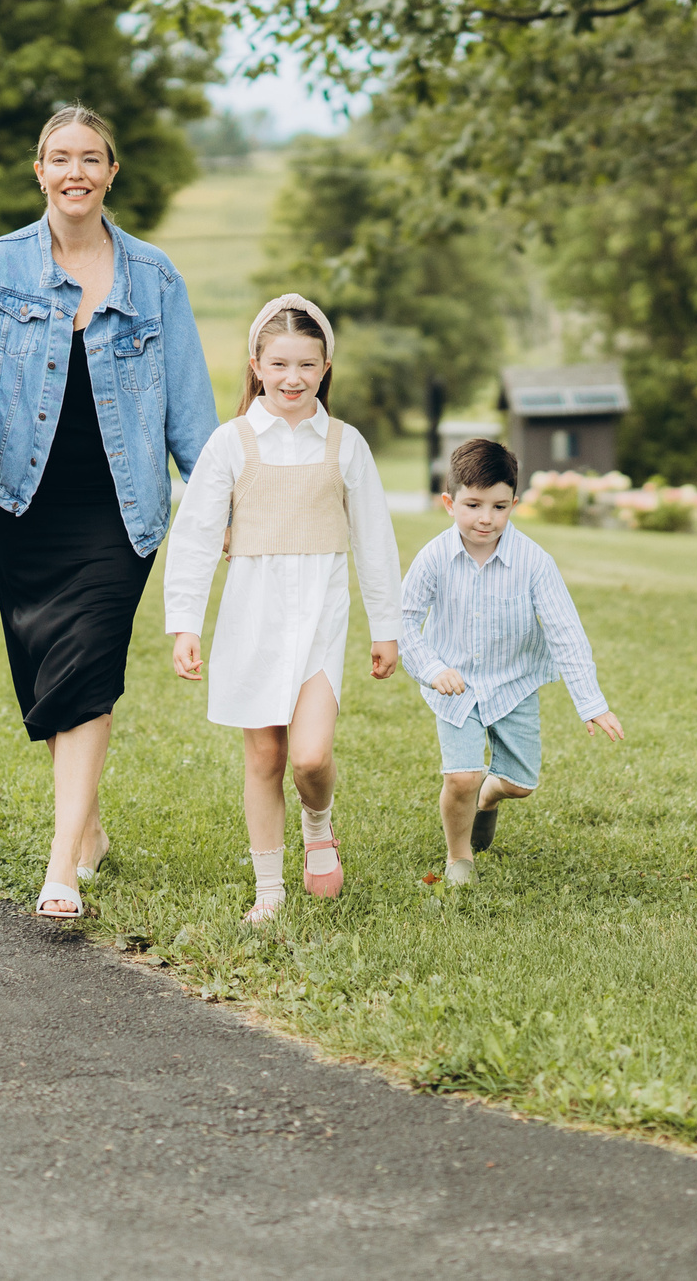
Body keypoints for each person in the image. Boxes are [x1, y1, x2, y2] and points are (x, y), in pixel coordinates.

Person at [0, 106, 215, 921]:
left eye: (92, 158)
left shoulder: (155, 277)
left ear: (112, 173)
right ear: (39, 170)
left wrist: (222, 508)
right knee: (46, 678)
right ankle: (90, 824)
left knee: (88, 667)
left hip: (122, 507)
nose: (76, 171)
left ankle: (60, 864)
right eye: (60, 158)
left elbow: (189, 413)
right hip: (26, 501)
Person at [163, 296, 403, 924]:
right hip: (253, 621)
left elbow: (374, 539)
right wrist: (185, 622)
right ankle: (269, 886)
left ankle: (318, 826)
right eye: (279, 364)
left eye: (306, 364)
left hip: (321, 622)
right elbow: (193, 536)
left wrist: (387, 627)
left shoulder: (346, 446)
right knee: (266, 757)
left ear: (325, 368)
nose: (292, 377)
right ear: (256, 366)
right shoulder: (231, 443)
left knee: (310, 757)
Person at [399, 438, 624, 885]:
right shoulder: (434, 559)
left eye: (499, 506)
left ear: (514, 504)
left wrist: (591, 702)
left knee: (520, 784)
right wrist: (432, 669)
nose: (486, 518)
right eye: (473, 504)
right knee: (461, 777)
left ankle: (489, 796)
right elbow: (403, 622)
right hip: (456, 686)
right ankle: (459, 857)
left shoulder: (535, 563)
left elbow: (566, 634)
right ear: (449, 503)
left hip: (513, 684)